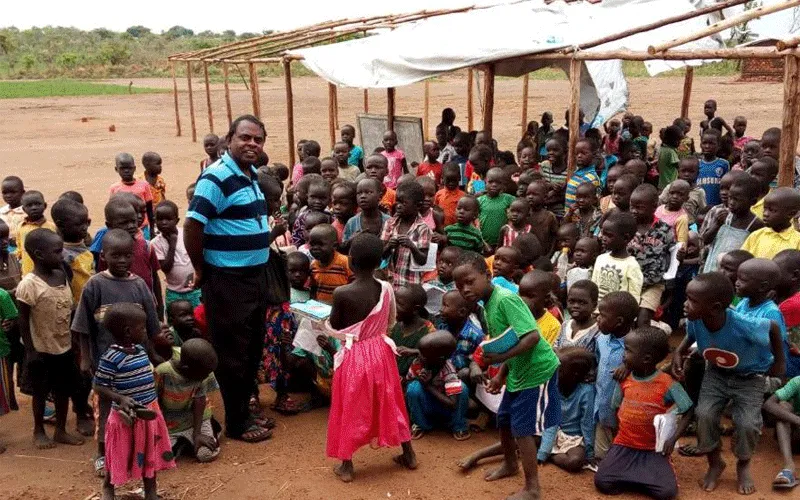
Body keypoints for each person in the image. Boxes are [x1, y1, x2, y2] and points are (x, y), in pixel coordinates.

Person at [184, 115, 273, 444]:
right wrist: (200, 267)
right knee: (233, 351)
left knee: (251, 347)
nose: (252, 144)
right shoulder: (216, 177)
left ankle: (245, 410)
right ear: (230, 139)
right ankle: (236, 422)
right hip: (227, 279)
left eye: (258, 140)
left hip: (253, 276)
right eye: (245, 138)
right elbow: (193, 225)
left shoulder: (249, 176)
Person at [453, 252, 561, 500]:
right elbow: (508, 340)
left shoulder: (505, 300)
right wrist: (501, 375)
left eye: (470, 281)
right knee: (504, 419)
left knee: (523, 429)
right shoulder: (487, 305)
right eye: (460, 286)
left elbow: (532, 337)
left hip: (538, 370)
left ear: (487, 275)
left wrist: (501, 361)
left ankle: (533, 488)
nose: (465, 289)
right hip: (519, 371)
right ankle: (510, 464)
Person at [673, 272, 785, 495]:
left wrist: (779, 364)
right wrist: (678, 351)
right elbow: (691, 337)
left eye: (692, 300)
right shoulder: (696, 319)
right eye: (687, 297)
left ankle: (743, 464)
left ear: (715, 307)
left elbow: (772, 327)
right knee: (704, 415)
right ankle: (715, 462)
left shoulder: (744, 324)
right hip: (717, 373)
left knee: (747, 423)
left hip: (750, 376)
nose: (686, 304)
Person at [326, 233, 416, 482]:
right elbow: (390, 321)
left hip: (355, 356)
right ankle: (408, 453)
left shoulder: (342, 293)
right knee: (391, 401)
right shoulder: (386, 288)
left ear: (350, 260)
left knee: (351, 405)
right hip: (382, 353)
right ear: (380, 262)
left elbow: (336, 327)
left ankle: (346, 464)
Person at [72, 229, 162, 475]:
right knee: (106, 408)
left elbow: (151, 324)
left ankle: (137, 452)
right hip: (105, 362)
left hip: (135, 361)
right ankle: (103, 454)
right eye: (116, 256)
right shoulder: (95, 285)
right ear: (104, 257)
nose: (122, 261)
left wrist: (154, 354)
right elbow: (83, 327)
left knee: (138, 404)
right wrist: (86, 357)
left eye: (127, 256)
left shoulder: (139, 285)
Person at [594, 327, 693, 500]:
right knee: (602, 482)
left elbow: (688, 409)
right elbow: (616, 407)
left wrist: (672, 439)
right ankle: (640, 478)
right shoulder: (624, 379)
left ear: (646, 358)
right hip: (624, 444)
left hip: (652, 449)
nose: (624, 355)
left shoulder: (667, 383)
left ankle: (636, 476)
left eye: (628, 350)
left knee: (667, 493)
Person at [93, 303, 175, 500]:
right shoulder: (111, 357)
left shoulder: (140, 349)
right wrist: (120, 398)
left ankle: (151, 492)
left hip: (148, 411)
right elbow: (99, 386)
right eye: (143, 327)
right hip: (125, 416)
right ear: (128, 331)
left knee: (149, 452)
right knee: (118, 453)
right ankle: (108, 488)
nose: (146, 331)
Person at [15, 229, 84, 450]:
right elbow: (23, 321)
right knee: (40, 392)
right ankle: (39, 431)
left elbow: (68, 309)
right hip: (41, 349)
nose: (62, 255)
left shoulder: (61, 274)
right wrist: (31, 351)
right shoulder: (29, 285)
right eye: (57, 251)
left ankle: (61, 430)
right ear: (39, 254)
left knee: (64, 389)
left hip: (63, 346)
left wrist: (73, 339)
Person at [155, 338, 221, 464]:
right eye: (204, 374)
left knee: (205, 455)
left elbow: (200, 399)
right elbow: (154, 402)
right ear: (186, 368)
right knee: (162, 460)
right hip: (170, 421)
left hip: (197, 418)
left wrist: (197, 434)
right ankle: (182, 443)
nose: (206, 377)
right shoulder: (163, 372)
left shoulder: (203, 369)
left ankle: (208, 429)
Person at [593, 291, 639, 460]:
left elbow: (647, 368)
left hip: (624, 413)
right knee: (601, 455)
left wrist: (628, 365)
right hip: (601, 406)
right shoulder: (601, 339)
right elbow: (598, 361)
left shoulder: (637, 345)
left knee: (624, 448)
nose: (597, 318)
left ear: (619, 321)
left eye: (602, 316)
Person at [537, 346, 596, 472]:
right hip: (550, 431)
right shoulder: (554, 387)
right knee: (523, 436)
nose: (554, 372)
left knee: (575, 462)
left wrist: (589, 453)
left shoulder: (586, 392)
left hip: (573, 439)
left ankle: (552, 456)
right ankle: (484, 453)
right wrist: (544, 451)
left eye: (559, 370)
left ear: (575, 374)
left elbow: (587, 424)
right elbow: (551, 423)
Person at [406, 330, 470, 441]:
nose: (419, 356)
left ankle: (459, 425)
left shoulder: (449, 371)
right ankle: (421, 424)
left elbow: (452, 403)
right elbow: (408, 382)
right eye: (420, 352)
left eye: (424, 354)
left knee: (461, 388)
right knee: (413, 388)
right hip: (428, 407)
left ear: (440, 359)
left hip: (446, 409)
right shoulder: (417, 363)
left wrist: (427, 386)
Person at [628, 184, 673, 326]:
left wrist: (670, 281)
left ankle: (644, 346)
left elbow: (672, 255)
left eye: (639, 207)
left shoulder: (664, 230)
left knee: (643, 319)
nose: (634, 211)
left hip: (653, 284)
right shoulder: (626, 226)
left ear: (654, 207)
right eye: (632, 206)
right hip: (628, 281)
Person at [702, 174, 763, 273]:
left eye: (737, 199)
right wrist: (716, 224)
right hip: (711, 269)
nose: (731, 202)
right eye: (730, 198)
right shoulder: (722, 216)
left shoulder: (755, 224)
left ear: (753, 201)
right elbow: (705, 240)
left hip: (733, 275)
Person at [381, 181, 431, 288]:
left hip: (410, 284)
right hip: (389, 281)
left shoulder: (423, 228)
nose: (398, 206)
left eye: (403, 203)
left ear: (417, 206)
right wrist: (389, 245)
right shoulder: (390, 223)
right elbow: (381, 254)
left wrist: (412, 246)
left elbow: (423, 260)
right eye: (397, 202)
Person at [152, 200, 199, 308]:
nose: (164, 222)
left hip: (194, 290)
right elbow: (166, 268)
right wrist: (172, 244)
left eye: (168, 219)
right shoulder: (156, 243)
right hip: (174, 292)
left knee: (197, 319)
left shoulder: (186, 234)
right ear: (155, 221)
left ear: (177, 220)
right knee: (175, 321)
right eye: (160, 219)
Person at [593, 212, 643, 303]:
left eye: (609, 235)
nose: (603, 238)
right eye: (603, 233)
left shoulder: (631, 265)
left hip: (618, 314)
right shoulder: (600, 259)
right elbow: (594, 287)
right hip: (597, 311)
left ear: (625, 238)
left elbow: (634, 297)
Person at [763, 374, 800, 489]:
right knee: (783, 406)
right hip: (795, 436)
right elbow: (768, 404)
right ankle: (789, 467)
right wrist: (798, 420)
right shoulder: (797, 381)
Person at [741, 187, 800, 259]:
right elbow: (742, 259)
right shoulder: (756, 235)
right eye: (765, 208)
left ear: (791, 214)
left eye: (772, 210)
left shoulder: (797, 241)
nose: (765, 214)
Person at [390, 284, 435, 377]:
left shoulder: (429, 330)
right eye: (394, 301)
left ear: (415, 309)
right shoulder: (392, 325)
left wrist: (414, 351)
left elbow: (435, 356)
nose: (394, 306)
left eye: (400, 304)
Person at [436, 290, 483, 377]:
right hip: (442, 374)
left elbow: (480, 361)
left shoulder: (475, 335)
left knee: (464, 373)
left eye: (445, 305)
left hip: (460, 378)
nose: (441, 309)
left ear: (462, 312)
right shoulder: (441, 328)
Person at [109, 152, 155, 238]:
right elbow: (113, 211)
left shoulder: (144, 185)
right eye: (122, 168)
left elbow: (149, 209)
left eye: (129, 168)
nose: (126, 171)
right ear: (116, 169)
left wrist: (152, 229)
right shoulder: (115, 188)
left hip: (143, 228)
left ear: (134, 168)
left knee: (144, 248)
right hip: (124, 229)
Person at [16, 190, 56, 276]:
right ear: (23, 209)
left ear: (45, 206)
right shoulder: (21, 227)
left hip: (48, 272)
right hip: (27, 272)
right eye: (29, 205)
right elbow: (19, 247)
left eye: (38, 204)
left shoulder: (51, 227)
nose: (34, 208)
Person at [309, 224, 352, 304]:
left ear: (334, 246)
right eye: (312, 244)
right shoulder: (313, 266)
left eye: (320, 244)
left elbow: (354, 285)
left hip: (341, 307)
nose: (315, 248)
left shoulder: (344, 262)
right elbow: (313, 288)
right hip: (321, 309)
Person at [555, 280, 600, 352]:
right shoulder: (565, 325)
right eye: (571, 301)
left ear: (594, 305)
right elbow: (556, 348)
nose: (575, 306)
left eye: (582, 303)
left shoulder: (597, 332)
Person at [518, 270, 561, 346]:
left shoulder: (553, 326)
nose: (523, 300)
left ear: (546, 297)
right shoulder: (514, 315)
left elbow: (548, 354)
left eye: (530, 296)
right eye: (521, 295)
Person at [659, 157, 706, 225]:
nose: (687, 174)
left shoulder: (699, 192)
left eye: (691, 171)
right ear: (678, 171)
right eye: (683, 171)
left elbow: (702, 211)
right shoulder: (670, 188)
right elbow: (660, 203)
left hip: (689, 225)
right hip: (669, 225)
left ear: (697, 173)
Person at [343, 178, 389, 246]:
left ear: (380, 196)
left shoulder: (389, 222)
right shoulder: (352, 223)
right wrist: (352, 240)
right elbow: (344, 248)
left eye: (368, 192)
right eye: (359, 193)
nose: (363, 196)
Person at [775, 249, 800, 378]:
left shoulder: (791, 305)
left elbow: (777, 336)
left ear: (794, 276)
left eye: (776, 273)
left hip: (792, 361)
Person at [565, 139, 600, 213]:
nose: (579, 156)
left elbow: (594, 202)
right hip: (570, 215)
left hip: (580, 218)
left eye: (584, 153)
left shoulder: (591, 178)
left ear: (593, 155)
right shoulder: (576, 173)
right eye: (577, 153)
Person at [697, 130, 730, 207]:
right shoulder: (696, 164)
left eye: (711, 143)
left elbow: (727, 186)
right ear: (701, 144)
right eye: (704, 143)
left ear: (718, 146)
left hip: (718, 207)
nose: (707, 146)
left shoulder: (724, 164)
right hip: (700, 209)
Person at [526, 180, 558, 255]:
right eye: (528, 194)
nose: (530, 197)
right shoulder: (524, 214)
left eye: (534, 194)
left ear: (545, 197)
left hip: (543, 255)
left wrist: (549, 255)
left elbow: (555, 238)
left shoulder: (549, 216)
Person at [540, 138, 569, 218]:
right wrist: (551, 185)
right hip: (544, 212)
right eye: (548, 150)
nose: (550, 153)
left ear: (565, 152)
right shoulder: (544, 166)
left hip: (562, 213)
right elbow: (541, 184)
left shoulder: (570, 171)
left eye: (555, 150)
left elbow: (569, 193)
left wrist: (558, 191)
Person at [655, 179, 690, 244]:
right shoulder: (659, 209)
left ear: (686, 198)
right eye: (672, 193)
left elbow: (681, 244)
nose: (675, 196)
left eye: (680, 194)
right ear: (668, 194)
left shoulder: (682, 218)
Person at [435, 162, 466, 227]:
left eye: (454, 180)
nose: (451, 183)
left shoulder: (464, 196)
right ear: (442, 179)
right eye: (448, 180)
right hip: (443, 229)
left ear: (459, 178)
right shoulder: (438, 194)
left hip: (459, 229)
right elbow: (435, 210)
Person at [1, 176, 26, 253]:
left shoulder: (27, 213)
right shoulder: (1, 212)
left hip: (23, 250)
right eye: (5, 193)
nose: (8, 196)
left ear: (23, 193)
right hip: (3, 250)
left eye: (13, 192)